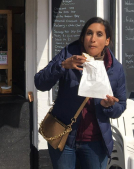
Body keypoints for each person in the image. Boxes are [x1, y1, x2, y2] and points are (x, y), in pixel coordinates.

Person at [34, 17, 126, 169]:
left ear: (107, 40)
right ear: (83, 38)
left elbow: (121, 106)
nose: (93, 39)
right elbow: (40, 83)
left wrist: (109, 106)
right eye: (89, 33)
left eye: (99, 34)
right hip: (64, 137)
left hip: (95, 142)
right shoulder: (69, 54)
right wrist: (63, 65)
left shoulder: (115, 68)